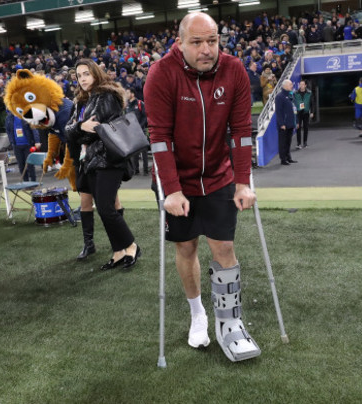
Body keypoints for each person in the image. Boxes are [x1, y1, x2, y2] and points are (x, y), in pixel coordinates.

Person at [144, 12, 261, 362]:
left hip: (218, 175)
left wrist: (243, 182)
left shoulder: (234, 70)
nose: (206, 49)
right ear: (180, 43)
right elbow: (160, 139)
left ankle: (231, 323)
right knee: (186, 247)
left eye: (212, 40)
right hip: (176, 179)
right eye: (196, 42)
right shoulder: (161, 74)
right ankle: (198, 314)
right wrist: (173, 190)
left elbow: (240, 131)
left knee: (224, 246)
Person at [65, 59, 140, 271]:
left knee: (107, 208)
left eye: (86, 73)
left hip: (108, 160)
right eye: (79, 76)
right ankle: (118, 252)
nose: (83, 78)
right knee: (104, 209)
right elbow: (68, 131)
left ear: (96, 73)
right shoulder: (83, 101)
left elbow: (90, 134)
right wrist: (81, 127)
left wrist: (79, 130)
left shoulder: (105, 96)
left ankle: (131, 246)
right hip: (90, 162)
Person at [5, 111, 40, 181]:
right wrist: (11, 141)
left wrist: (37, 141)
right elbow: (8, 131)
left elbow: (33, 129)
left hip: (28, 144)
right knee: (21, 166)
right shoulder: (9, 118)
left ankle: (33, 182)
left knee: (30, 165)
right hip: (16, 145)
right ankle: (25, 182)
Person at [125, 87, 149, 176]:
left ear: (132, 94)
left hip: (141, 130)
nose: (126, 95)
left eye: (127, 93)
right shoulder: (127, 105)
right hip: (132, 131)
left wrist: (140, 126)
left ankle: (146, 170)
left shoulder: (140, 103)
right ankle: (136, 170)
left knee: (144, 151)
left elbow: (145, 116)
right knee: (134, 152)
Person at [275, 79, 297, 165]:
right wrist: (281, 124)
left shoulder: (291, 96)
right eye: (290, 84)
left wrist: (295, 122)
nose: (292, 86)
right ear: (285, 86)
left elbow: (294, 109)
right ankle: (283, 159)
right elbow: (279, 112)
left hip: (290, 123)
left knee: (288, 142)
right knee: (283, 143)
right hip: (284, 125)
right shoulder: (279, 97)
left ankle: (288, 157)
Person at [294, 80, 313, 149]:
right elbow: (293, 102)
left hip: (306, 112)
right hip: (298, 112)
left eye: (302, 84)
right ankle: (298, 143)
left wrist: (312, 112)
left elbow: (312, 103)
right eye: (300, 84)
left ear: (305, 85)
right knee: (298, 128)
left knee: (306, 128)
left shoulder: (309, 93)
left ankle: (305, 142)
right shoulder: (295, 93)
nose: (301, 86)